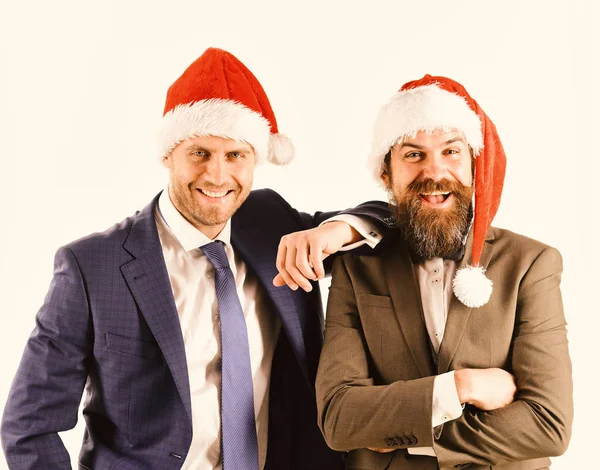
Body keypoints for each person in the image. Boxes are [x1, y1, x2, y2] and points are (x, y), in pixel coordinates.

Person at [1, 48, 393, 470]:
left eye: (235, 156)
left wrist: (332, 231)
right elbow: (30, 424)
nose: (217, 176)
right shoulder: (92, 265)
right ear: (168, 155)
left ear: (256, 160)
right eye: (200, 153)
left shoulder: (270, 224)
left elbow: (388, 217)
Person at [316, 75, 573, 469]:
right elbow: (338, 419)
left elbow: (548, 425)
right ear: (386, 174)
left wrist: (400, 432)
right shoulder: (356, 267)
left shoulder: (531, 264)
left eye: (451, 152)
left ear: (474, 165)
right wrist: (459, 388)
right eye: (413, 155)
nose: (434, 172)